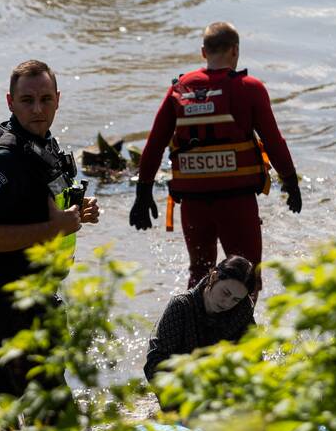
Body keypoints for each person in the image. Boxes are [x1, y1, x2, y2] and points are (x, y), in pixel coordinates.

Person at [0, 59, 100, 399]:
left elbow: (41, 210)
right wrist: (54, 228)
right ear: (10, 102)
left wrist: (78, 213)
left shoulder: (43, 144)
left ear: (58, 98)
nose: (38, 109)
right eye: (27, 101)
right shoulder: (3, 158)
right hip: (1, 301)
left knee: (41, 405)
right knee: (1, 410)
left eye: (45, 99)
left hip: (37, 295)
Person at [129, 22, 301, 289]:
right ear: (235, 51)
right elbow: (274, 141)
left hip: (194, 204)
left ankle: (193, 328)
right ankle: (240, 330)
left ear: (203, 52)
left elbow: (153, 145)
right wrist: (290, 182)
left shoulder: (180, 89)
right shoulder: (249, 88)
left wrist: (143, 192)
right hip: (237, 202)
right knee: (246, 275)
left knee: (200, 273)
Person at [144, 255, 256, 383]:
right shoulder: (180, 306)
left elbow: (254, 360)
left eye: (236, 299)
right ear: (214, 277)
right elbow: (155, 362)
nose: (227, 303)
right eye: (226, 293)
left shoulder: (243, 310)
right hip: (181, 384)